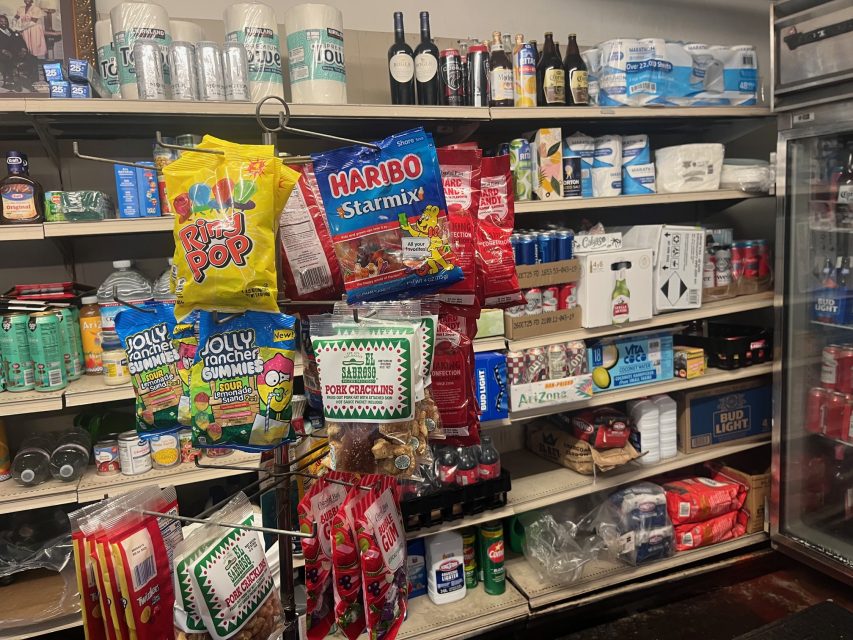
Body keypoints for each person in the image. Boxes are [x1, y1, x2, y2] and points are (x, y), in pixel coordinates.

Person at [0, 14, 36, 91]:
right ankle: (13, 82)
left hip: (16, 53)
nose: (4, 23)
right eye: (1, 21)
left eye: (5, 21)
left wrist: (23, 49)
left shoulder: (10, 31)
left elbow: (20, 40)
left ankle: (31, 80)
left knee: (32, 58)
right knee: (8, 59)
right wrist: (3, 51)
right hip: (4, 54)